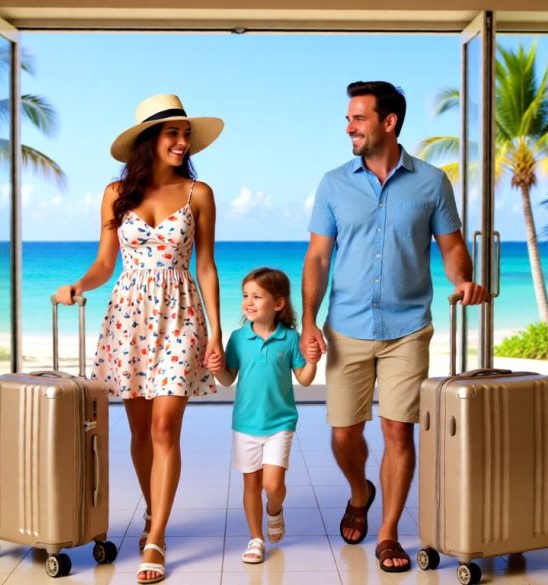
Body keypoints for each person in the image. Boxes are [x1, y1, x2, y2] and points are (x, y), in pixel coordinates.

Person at [300, 81, 487, 573]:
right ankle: (360, 490)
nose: (348, 128)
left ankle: (388, 534)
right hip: (346, 328)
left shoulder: (432, 182)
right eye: (348, 119)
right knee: (344, 433)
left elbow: (450, 247)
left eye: (357, 118)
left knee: (398, 431)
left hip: (408, 327)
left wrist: (464, 279)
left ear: (389, 122)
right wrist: (307, 320)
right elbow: (318, 257)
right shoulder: (333, 183)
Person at [54, 94, 224, 585]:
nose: (182, 142)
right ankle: (155, 509)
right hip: (128, 317)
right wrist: (78, 286)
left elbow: (206, 266)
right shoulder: (114, 193)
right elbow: (106, 262)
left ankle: (156, 537)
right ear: (149, 140)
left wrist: (214, 329)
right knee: (138, 432)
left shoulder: (200, 193)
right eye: (172, 133)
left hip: (180, 314)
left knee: (166, 427)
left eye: (185, 133)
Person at [207, 268, 319, 565]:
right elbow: (228, 379)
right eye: (245, 296)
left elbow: (305, 379)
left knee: (273, 485)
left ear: (278, 303)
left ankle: (275, 510)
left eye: (257, 296)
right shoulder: (238, 338)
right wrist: (217, 367)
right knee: (251, 486)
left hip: (281, 423)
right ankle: (256, 539)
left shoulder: (290, 338)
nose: (249, 302)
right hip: (245, 424)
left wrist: (313, 360)